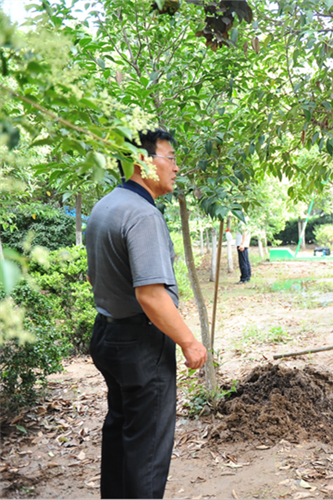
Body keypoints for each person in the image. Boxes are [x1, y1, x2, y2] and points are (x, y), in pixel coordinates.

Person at [86, 129, 207, 499]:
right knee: (147, 449)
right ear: (144, 161)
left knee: (121, 432)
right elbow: (152, 296)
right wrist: (189, 342)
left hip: (108, 335)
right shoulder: (143, 215)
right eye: (169, 158)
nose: (175, 168)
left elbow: (98, 276)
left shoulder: (105, 206)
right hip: (140, 343)